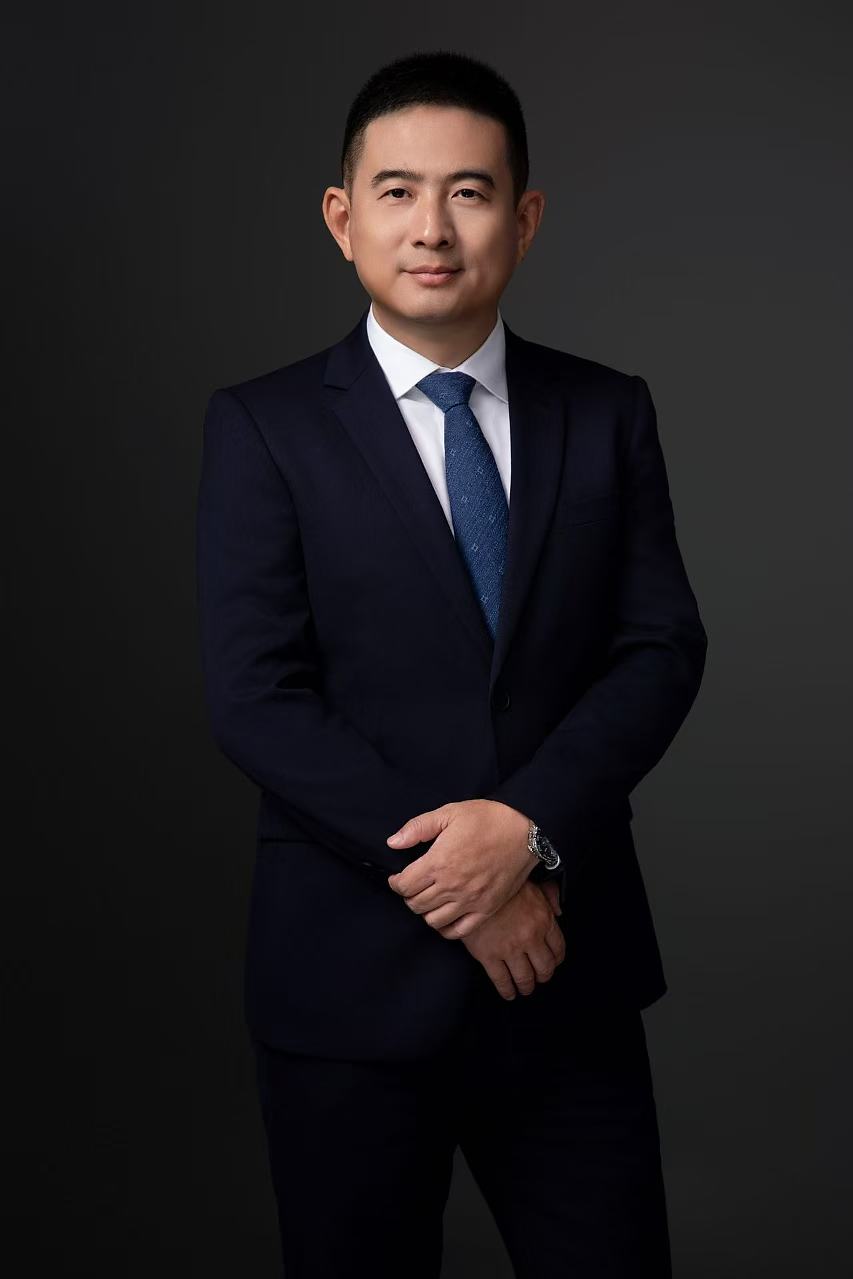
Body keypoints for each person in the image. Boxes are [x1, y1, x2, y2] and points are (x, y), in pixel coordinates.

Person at [195, 48, 707, 1279]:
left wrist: (524, 829)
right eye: (398, 191)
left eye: (469, 192)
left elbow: (658, 646)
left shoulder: (607, 410)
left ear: (522, 220)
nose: (432, 227)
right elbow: (256, 695)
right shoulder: (264, 426)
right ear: (342, 218)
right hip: (348, 988)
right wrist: (464, 879)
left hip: (565, 968)